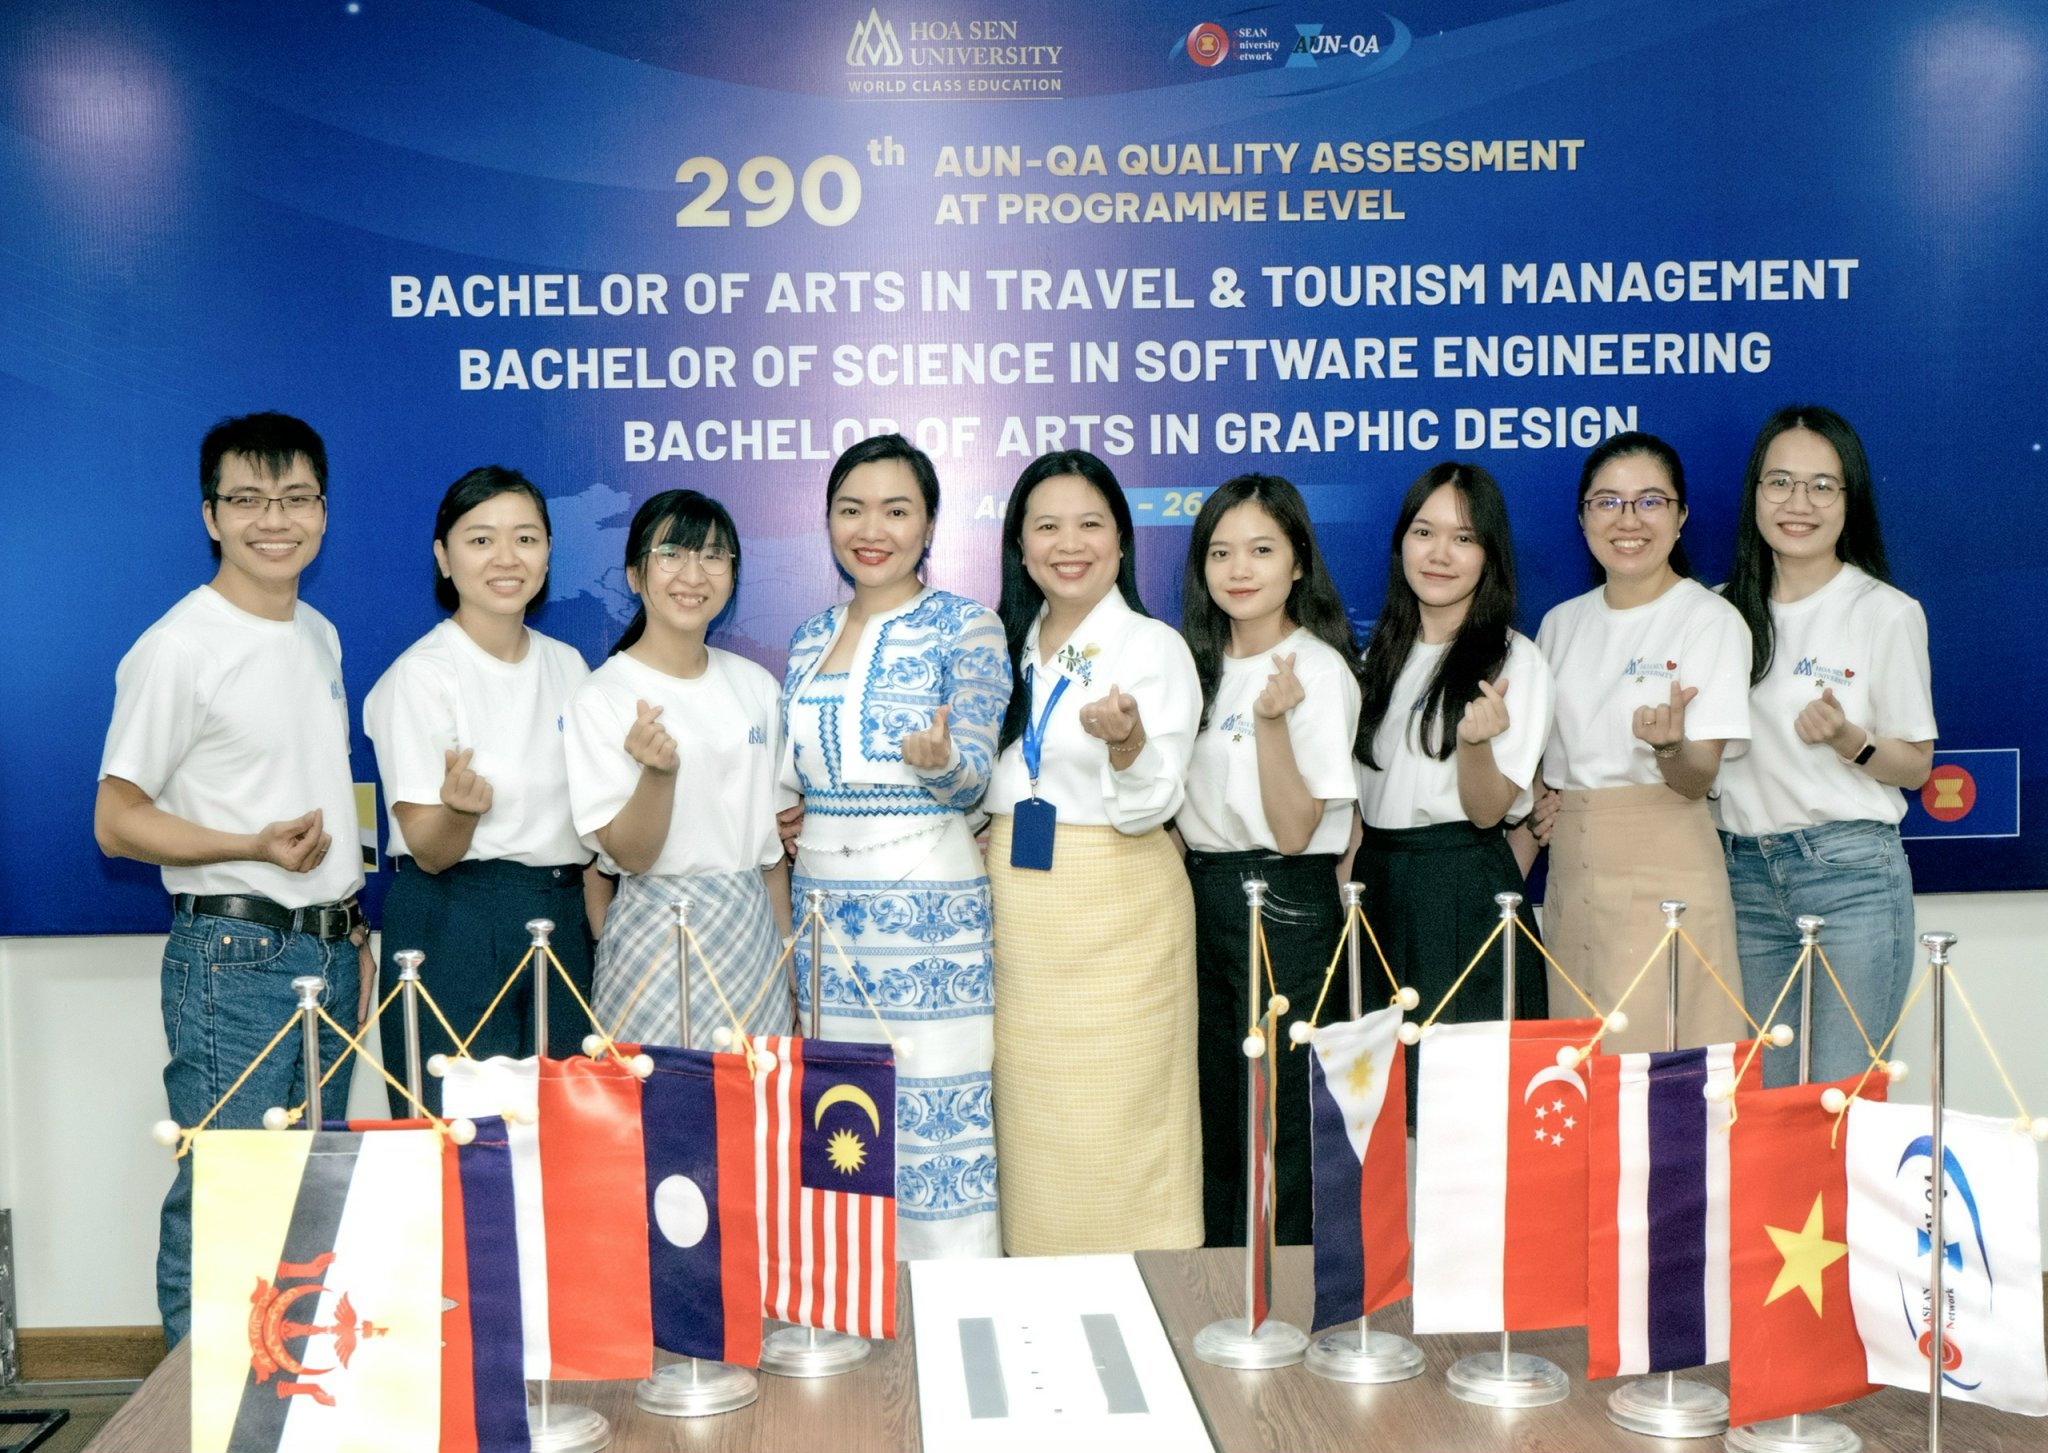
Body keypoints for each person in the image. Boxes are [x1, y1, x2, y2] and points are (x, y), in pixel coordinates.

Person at [95, 411, 370, 1345]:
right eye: (247, 499)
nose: (274, 520)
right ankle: (197, 1405)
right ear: (211, 515)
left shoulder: (319, 633)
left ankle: (286, 1394)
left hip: (326, 951)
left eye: (295, 498)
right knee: (227, 1190)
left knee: (309, 1191)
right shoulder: (180, 645)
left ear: (323, 510)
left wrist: (348, 926)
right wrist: (250, 845)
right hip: (233, 953)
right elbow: (116, 820)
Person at [780, 434, 1012, 1259]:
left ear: (930, 524)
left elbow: (975, 773)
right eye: (851, 509)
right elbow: (792, 779)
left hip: (927, 918)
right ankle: (849, 1304)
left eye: (896, 509)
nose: (871, 529)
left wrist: (942, 763)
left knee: (932, 1119)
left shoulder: (968, 627)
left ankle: (952, 1305)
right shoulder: (807, 638)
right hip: (824, 922)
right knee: (841, 1119)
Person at [984, 450, 1203, 1255]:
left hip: (1122, 910)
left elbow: (1153, 803)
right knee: (1035, 1123)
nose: (1068, 544)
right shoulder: (1001, 644)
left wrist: (1127, 744)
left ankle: (1146, 1299)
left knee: (1122, 1117)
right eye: (1047, 526)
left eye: (1090, 524)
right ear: (1019, 545)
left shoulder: (1151, 645)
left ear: (1121, 539)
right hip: (1020, 913)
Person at [363, 467, 606, 1112]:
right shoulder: (421, 676)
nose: (506, 558)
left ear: (547, 554)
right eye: (480, 540)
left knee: (563, 1130)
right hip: (457, 919)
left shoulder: (569, 666)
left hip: (562, 914)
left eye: (525, 539)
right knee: (458, 1131)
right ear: (444, 558)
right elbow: (431, 849)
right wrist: (460, 813)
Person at [1716, 406, 1934, 1085]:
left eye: (1821, 486)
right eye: (1780, 483)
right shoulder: (1718, 612)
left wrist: (1850, 740)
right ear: (1755, 493)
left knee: (1843, 1100)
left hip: (1850, 876)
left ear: (1849, 499)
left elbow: (1917, 766)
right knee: (1765, 1109)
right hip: (1742, 880)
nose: (1798, 503)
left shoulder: (1885, 612)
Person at [1176, 475, 1361, 1247]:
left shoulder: (1314, 669)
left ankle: (1286, 1289)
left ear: (1298, 561)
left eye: (1261, 549)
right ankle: (1221, 1286)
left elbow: (1294, 831)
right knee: (1218, 1112)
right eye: (1221, 552)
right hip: (1205, 894)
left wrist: (1273, 725)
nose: (1239, 569)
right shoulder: (1194, 664)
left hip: (1281, 898)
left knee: (1281, 1117)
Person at [1534, 431, 1751, 1053]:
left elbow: (1697, 778)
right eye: (1607, 502)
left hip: (1668, 865)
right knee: (1582, 1066)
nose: (1628, 520)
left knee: (1669, 1074)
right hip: (1574, 871)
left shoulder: (1709, 619)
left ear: (1681, 517)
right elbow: (1544, 762)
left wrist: (1667, 749)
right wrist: (1542, 802)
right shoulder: (1559, 625)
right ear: (1583, 518)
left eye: (1651, 501)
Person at [1354, 462, 1555, 1119]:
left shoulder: (1514, 660)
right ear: (1401, 544)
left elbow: (1490, 810)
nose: (1439, 553)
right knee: (1384, 1104)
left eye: (1464, 538)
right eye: (1424, 532)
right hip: (1379, 884)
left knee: (1467, 1106)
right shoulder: (1375, 659)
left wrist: (1474, 743)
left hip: (1463, 885)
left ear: (1490, 555)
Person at [564, 490, 790, 1047]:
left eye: (713, 556)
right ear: (634, 574)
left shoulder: (756, 687)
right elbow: (630, 857)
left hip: (751, 937)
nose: (693, 574)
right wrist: (657, 776)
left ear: (732, 576)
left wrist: (788, 967)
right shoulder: (601, 696)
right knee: (655, 1098)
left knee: (753, 1098)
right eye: (671, 554)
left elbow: (771, 857)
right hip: (654, 939)